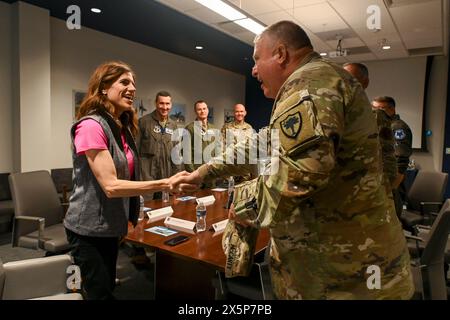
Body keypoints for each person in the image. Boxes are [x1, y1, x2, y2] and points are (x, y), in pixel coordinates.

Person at [173, 21, 414, 299]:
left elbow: (296, 179)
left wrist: (238, 202)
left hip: (342, 278)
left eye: (256, 59)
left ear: (280, 54)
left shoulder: (308, 85)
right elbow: (260, 143)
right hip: (357, 268)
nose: (253, 70)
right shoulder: (325, 79)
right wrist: (203, 172)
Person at [64, 61, 193, 300]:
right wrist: (164, 183)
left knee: (106, 289)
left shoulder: (120, 126)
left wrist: (124, 220)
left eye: (133, 83)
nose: (132, 88)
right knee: (99, 294)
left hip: (110, 226)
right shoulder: (91, 126)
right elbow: (111, 186)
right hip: (89, 229)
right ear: (103, 87)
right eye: (124, 82)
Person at [343, 63, 397, 192]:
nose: (345, 83)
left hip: (366, 189)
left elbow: (387, 154)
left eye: (351, 79)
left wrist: (384, 189)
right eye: (342, 78)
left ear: (365, 82)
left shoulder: (375, 116)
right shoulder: (335, 111)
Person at [372, 96, 413, 217]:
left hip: (391, 185)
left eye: (378, 109)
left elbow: (401, 160)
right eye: (372, 108)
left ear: (391, 109)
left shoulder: (397, 127)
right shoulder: (382, 125)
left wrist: (392, 188)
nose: (374, 112)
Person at [136, 91, 181, 200]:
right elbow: (135, 150)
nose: (164, 107)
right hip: (147, 175)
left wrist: (177, 178)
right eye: (161, 103)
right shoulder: (143, 122)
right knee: (146, 207)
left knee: (164, 206)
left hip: (166, 175)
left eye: (167, 104)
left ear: (171, 105)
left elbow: (176, 154)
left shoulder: (174, 125)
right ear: (156, 103)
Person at [221, 103, 254, 183]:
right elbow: (221, 145)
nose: (239, 113)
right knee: (229, 189)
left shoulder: (249, 128)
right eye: (237, 111)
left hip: (244, 166)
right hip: (230, 164)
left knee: (243, 190)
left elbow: (251, 147)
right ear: (234, 113)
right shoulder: (227, 127)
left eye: (241, 111)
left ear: (245, 113)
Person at [184, 100, 219, 173]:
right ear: (195, 111)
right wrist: (192, 172)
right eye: (199, 109)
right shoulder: (190, 128)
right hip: (197, 170)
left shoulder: (214, 128)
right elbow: (186, 154)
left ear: (208, 110)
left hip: (212, 170)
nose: (202, 111)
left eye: (204, 108)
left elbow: (217, 150)